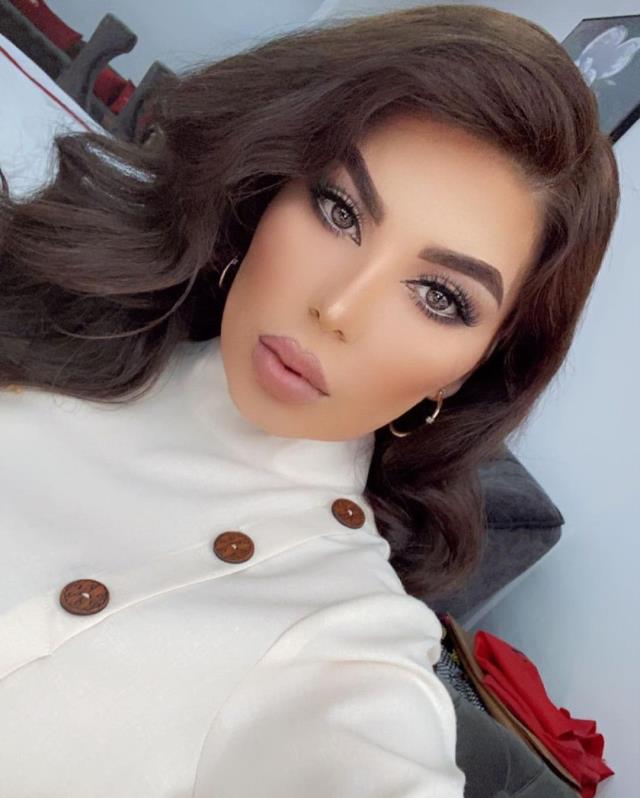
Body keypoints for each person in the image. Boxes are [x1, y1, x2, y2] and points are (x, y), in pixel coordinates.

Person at [0, 4, 619, 796]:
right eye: (339, 210)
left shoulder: (347, 643)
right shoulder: (76, 298)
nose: (338, 307)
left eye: (438, 296)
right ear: (270, 189)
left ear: (467, 373)